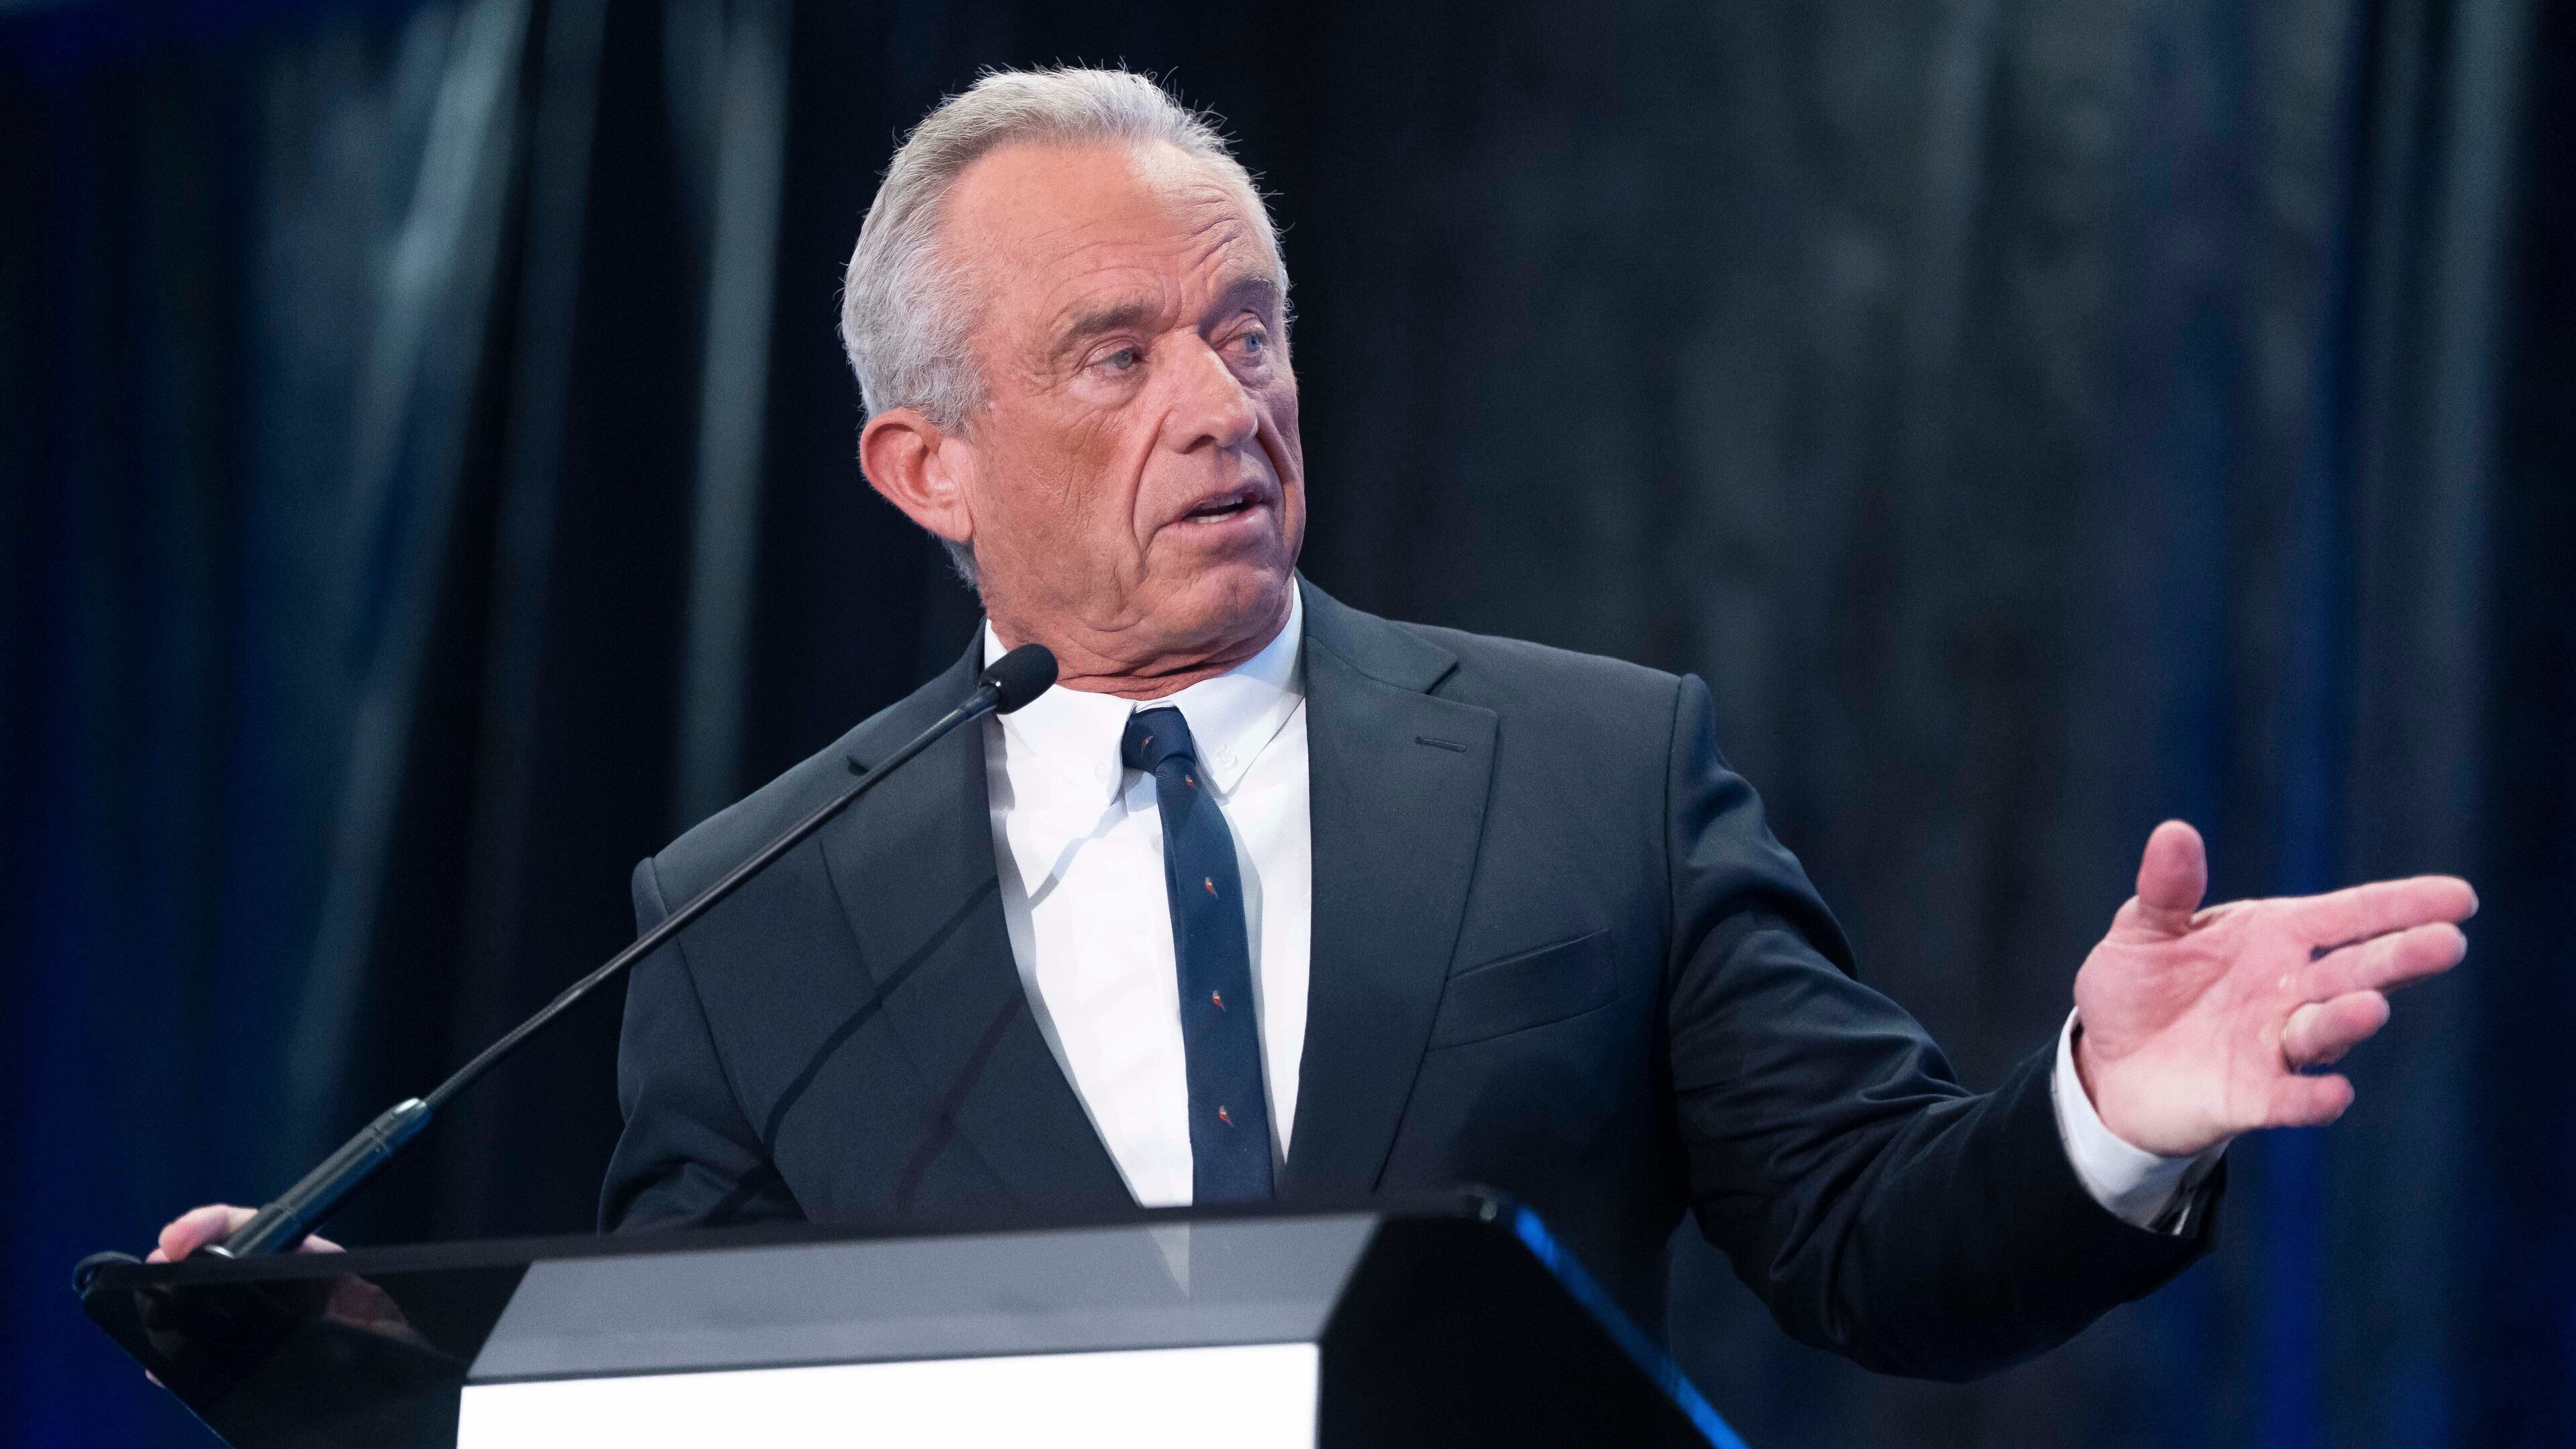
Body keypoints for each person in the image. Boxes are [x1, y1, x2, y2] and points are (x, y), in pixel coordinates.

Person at [156, 66, 2475, 1381]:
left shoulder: (1596, 778)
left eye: (1246, 328)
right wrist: (373, 1374)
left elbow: (1883, 1246)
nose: (1221, 401)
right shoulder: (756, 903)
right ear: (924, 465)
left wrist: (2101, 1118)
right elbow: (708, 1404)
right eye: (1117, 352)